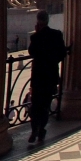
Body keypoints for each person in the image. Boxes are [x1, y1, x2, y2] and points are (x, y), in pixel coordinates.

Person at [27, 10, 66, 146]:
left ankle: (34, 129)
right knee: (45, 105)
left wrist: (37, 34)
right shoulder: (57, 35)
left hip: (38, 76)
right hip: (51, 75)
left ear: (38, 22)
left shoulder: (35, 38)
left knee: (35, 104)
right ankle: (42, 129)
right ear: (48, 20)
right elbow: (62, 54)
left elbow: (31, 52)